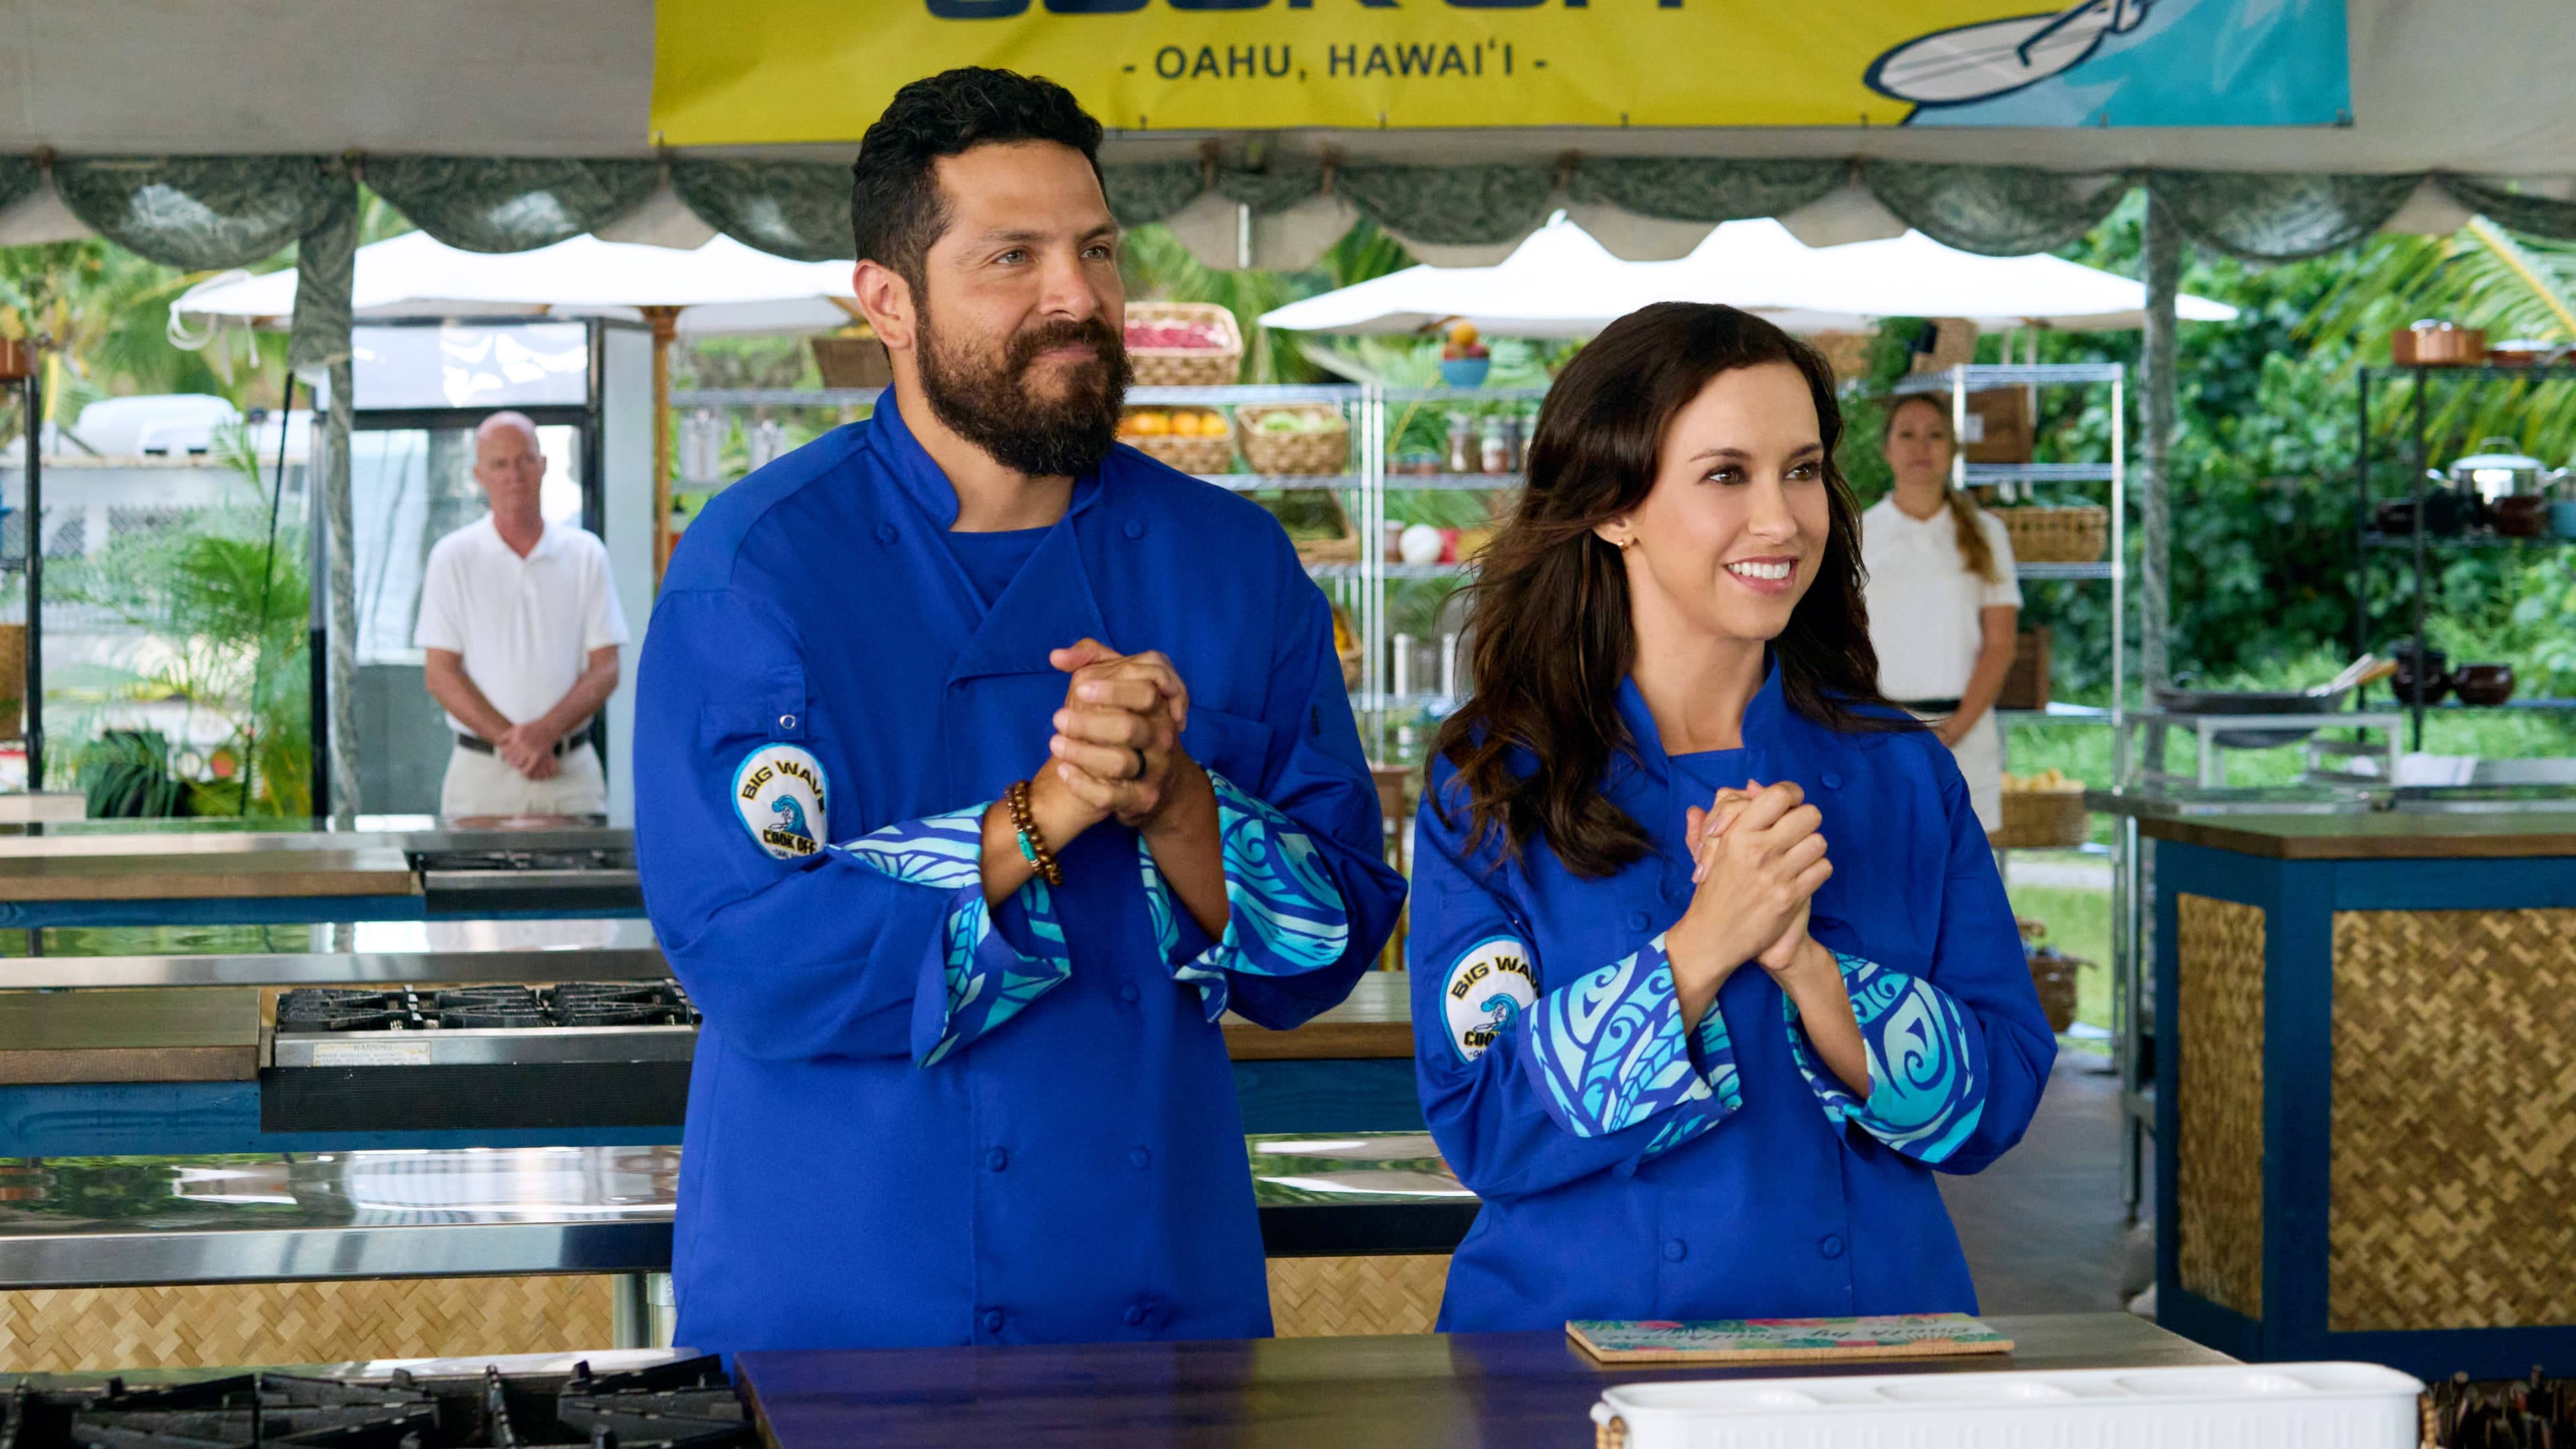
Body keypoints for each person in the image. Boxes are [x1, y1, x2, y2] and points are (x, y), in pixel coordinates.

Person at [632, 68, 1403, 1355]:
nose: (1078, 297)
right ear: (887, 300)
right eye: (1013, 257)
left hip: (1156, 1303)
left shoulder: (1231, 565)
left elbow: (1326, 950)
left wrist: (1180, 805)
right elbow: (752, 958)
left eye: (1097, 250)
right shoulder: (762, 570)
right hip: (842, 1308)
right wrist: (1040, 816)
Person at [1407, 303, 2055, 1331]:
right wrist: (1704, 944)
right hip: (1567, 1354)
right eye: (1726, 475)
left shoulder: (1901, 774)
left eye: (1802, 471)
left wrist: (1809, 966)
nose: (1782, 520)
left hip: (1871, 1356)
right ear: (1614, 508)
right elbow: (1484, 1125)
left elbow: (2002, 1098)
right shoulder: (1493, 779)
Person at [415, 411, 627, 818]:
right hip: (481, 778)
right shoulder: (452, 557)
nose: (514, 474)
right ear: (479, 475)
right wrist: (518, 744)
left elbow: (606, 669)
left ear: (543, 464)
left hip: (570, 774)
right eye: (500, 464)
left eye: (525, 460)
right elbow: (440, 673)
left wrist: (545, 733)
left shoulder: (586, 554)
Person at [1860, 395, 2022, 831]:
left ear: (1952, 448)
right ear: (1887, 448)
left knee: (1964, 866)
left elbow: (2001, 644)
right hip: (1879, 739)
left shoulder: (1987, 533)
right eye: (1907, 434)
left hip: (1966, 737)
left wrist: (1951, 732)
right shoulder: (1857, 534)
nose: (1921, 447)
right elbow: (1840, 642)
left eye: (1935, 435)